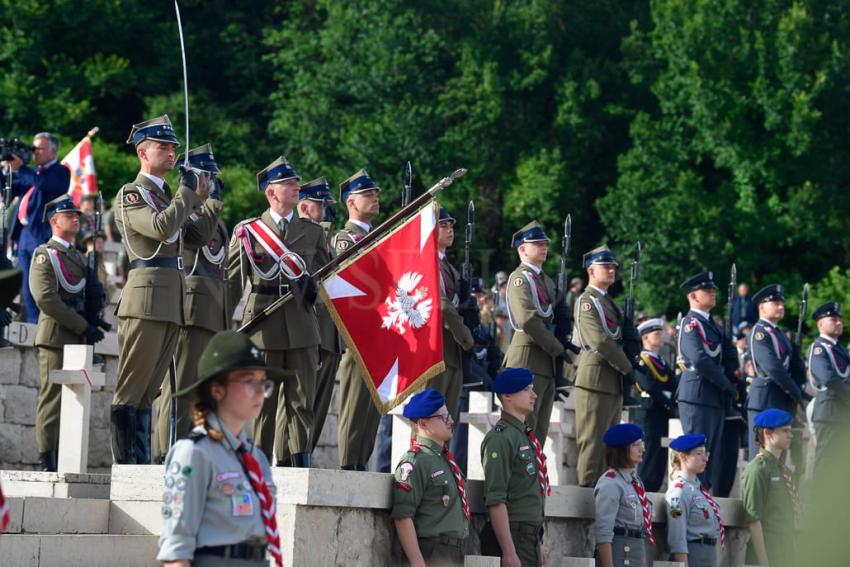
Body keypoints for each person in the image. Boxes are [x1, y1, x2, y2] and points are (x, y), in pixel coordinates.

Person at [112, 115, 216, 465]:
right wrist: (186, 195)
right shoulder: (132, 193)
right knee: (132, 388)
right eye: (162, 146)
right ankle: (126, 464)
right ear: (143, 152)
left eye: (173, 146)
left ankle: (139, 464)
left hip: (171, 298)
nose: (171, 152)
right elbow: (159, 227)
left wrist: (207, 200)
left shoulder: (169, 196)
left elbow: (198, 237)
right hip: (145, 298)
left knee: (149, 391)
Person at [157, 330, 286, 567]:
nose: (260, 391)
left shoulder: (255, 457)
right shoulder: (194, 452)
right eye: (249, 381)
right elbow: (177, 551)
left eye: (263, 382)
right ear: (217, 390)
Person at [227, 156, 325, 468]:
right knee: (261, 405)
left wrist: (315, 289)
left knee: (301, 402)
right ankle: (256, 466)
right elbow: (231, 284)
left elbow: (327, 278)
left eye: (296, 182)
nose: (297, 187)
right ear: (272, 192)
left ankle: (299, 465)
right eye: (289, 183)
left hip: (302, 325)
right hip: (262, 327)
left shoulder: (313, 233)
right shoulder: (248, 232)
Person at [154, 144, 227, 462]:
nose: (211, 181)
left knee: (200, 391)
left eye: (212, 176)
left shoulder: (209, 212)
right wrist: (204, 203)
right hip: (193, 306)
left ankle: (188, 450)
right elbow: (195, 240)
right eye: (206, 175)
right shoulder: (182, 208)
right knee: (180, 388)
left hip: (213, 308)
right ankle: (164, 451)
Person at [29, 196, 105, 471]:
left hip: (78, 340)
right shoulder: (44, 254)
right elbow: (47, 299)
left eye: (77, 215)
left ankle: (66, 459)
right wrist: (83, 326)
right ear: (54, 221)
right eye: (69, 215)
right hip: (56, 337)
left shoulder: (78, 257)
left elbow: (88, 295)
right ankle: (47, 459)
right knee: (52, 401)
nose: (76, 218)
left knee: (75, 402)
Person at [573, 245, 633, 487]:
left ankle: (605, 497)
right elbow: (598, 340)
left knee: (610, 448)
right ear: (591, 270)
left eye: (613, 267)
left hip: (611, 380)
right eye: (605, 266)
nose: (611, 270)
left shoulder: (610, 303)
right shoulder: (587, 301)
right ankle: (587, 497)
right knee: (593, 444)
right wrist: (627, 366)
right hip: (595, 380)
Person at [335, 169, 382, 471]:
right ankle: (348, 464)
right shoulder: (345, 238)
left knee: (372, 408)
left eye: (376, 193)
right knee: (354, 405)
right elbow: (349, 282)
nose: (375, 198)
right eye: (368, 194)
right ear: (351, 202)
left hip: (380, 332)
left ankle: (361, 463)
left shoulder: (381, 237)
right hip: (357, 333)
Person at [391, 389, 469, 566]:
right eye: (443, 417)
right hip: (431, 552)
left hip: (454, 551)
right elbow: (403, 516)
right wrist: (417, 561)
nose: (451, 421)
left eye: (448, 415)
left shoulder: (445, 459)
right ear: (423, 424)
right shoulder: (415, 461)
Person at [479, 368, 549, 567]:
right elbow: (496, 499)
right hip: (513, 536)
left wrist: (538, 544)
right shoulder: (501, 438)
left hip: (529, 538)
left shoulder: (523, 435)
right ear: (507, 396)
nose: (534, 395)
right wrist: (509, 552)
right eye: (527, 389)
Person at [504, 221, 564, 444]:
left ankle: (534, 476)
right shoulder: (520, 279)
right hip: (527, 355)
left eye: (545, 243)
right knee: (524, 425)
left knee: (539, 427)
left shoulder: (546, 280)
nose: (543, 247)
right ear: (522, 249)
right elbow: (527, 319)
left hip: (545, 359)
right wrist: (556, 347)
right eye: (537, 243)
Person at [676, 271, 736, 490]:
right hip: (698, 394)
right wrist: (724, 382)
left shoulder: (712, 325)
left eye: (713, 291)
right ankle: (693, 499)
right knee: (696, 453)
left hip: (713, 396)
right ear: (693, 296)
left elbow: (726, 357)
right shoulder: (691, 323)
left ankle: (703, 500)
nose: (712, 294)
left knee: (708, 455)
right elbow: (699, 359)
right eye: (707, 291)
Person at [3, 132, 71, 323]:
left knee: (39, 283)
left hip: (41, 233)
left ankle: (40, 323)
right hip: (24, 234)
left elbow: (45, 185)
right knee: (25, 284)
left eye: (40, 148)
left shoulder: (60, 171)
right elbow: (8, 188)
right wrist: (5, 170)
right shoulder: (34, 173)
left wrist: (22, 168)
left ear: (53, 150)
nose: (35, 152)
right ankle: (32, 322)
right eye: (33, 148)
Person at [296, 177, 340, 453]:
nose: (326, 211)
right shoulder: (303, 235)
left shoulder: (324, 237)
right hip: (312, 329)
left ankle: (306, 453)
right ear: (304, 206)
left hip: (330, 334)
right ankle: (295, 454)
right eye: (320, 205)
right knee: (304, 403)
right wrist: (322, 230)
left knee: (320, 407)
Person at [747, 284, 806, 459]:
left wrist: (796, 353)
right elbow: (772, 367)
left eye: (782, 303)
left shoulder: (779, 334)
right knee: (762, 456)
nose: (781, 307)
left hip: (781, 398)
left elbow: (795, 370)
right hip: (765, 398)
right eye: (775, 303)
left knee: (779, 458)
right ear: (762, 307)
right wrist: (794, 391)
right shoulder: (759, 332)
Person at [430, 206, 474, 418]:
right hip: (436, 351)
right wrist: (467, 337)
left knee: (448, 421)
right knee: (431, 418)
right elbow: (443, 305)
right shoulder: (427, 261)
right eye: (443, 226)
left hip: (452, 352)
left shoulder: (448, 266)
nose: (449, 230)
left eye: (451, 226)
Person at [741, 409, 799, 567]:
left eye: (790, 430)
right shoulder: (758, 469)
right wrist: (764, 563)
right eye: (785, 431)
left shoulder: (782, 469)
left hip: (785, 551)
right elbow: (753, 520)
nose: (790, 435)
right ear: (768, 433)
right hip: (768, 553)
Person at [593, 423, 653, 567]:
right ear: (621, 450)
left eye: (641, 444)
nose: (642, 449)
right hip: (621, 556)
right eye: (635, 445)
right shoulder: (611, 483)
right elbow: (604, 534)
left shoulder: (635, 481)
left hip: (636, 554)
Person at [665, 433, 725, 567]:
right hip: (693, 555)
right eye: (699, 454)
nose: (705, 459)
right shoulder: (678, 491)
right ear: (683, 457)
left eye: (705, 453)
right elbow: (677, 536)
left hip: (708, 554)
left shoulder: (699, 490)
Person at [634, 317, 677, 492]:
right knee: (649, 455)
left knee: (660, 457)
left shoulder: (663, 362)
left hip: (662, 413)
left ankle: (654, 490)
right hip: (650, 412)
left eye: (661, 333)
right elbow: (649, 385)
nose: (661, 337)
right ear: (645, 338)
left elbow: (672, 384)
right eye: (657, 334)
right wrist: (668, 403)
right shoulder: (641, 360)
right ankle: (644, 492)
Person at [806, 301, 850, 469]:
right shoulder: (819, 348)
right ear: (821, 324)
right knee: (826, 465)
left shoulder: (840, 350)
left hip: (843, 413)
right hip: (829, 414)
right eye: (833, 319)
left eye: (840, 319)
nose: (839, 323)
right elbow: (828, 378)